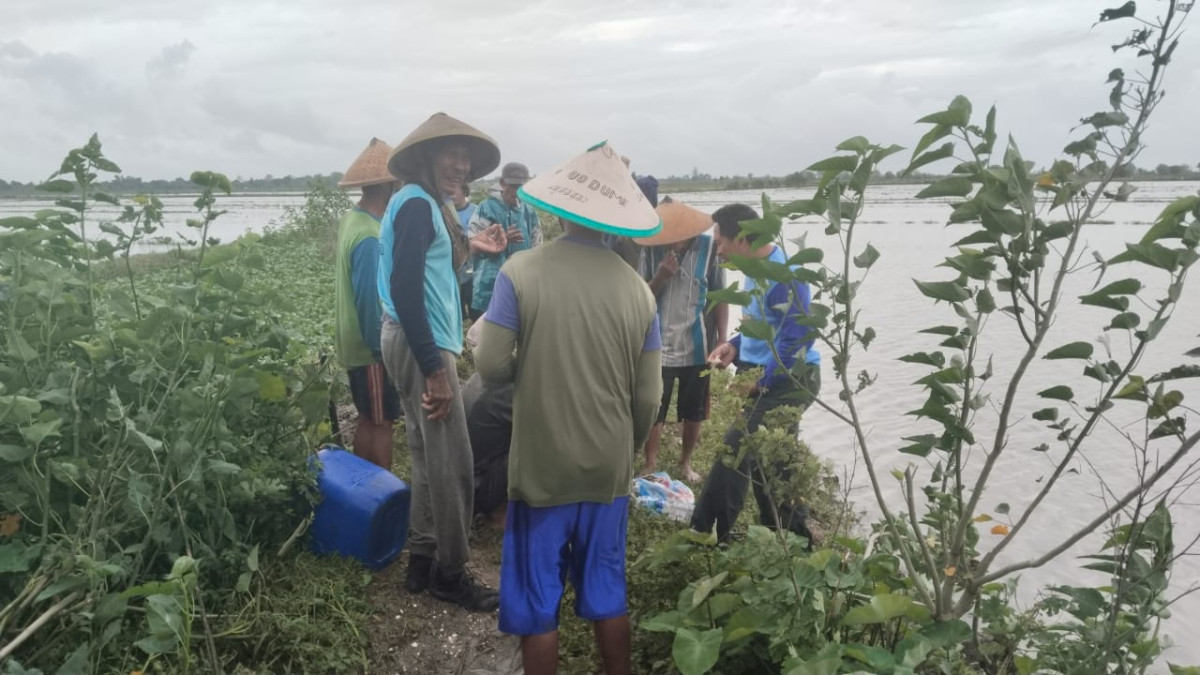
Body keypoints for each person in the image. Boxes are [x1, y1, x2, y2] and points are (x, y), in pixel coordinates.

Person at [476, 141, 663, 675]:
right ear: (616, 220)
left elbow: (490, 365)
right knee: (607, 590)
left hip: (542, 466)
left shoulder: (519, 272)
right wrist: (626, 449)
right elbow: (648, 397)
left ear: (558, 209)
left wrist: (534, 369)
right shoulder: (639, 292)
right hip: (607, 469)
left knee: (538, 601)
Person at [377, 112, 501, 611]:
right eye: (453, 154)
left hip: (411, 338)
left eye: (466, 157)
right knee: (453, 462)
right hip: (420, 341)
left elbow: (428, 265)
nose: (462, 165)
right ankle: (450, 573)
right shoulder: (415, 205)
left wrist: (474, 247)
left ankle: (422, 559)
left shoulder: (426, 204)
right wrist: (434, 370)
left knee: (427, 455)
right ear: (427, 157)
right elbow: (405, 289)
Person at [689, 203, 822, 545]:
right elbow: (762, 326)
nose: (718, 251)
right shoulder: (752, 269)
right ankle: (790, 538)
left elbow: (799, 339)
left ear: (743, 238)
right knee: (772, 461)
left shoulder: (785, 275)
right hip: (765, 376)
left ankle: (707, 533)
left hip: (790, 380)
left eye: (720, 242)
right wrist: (733, 345)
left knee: (736, 450)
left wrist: (759, 383)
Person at [635, 200, 728, 482]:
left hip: (697, 344)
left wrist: (722, 338)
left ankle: (685, 463)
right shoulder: (651, 250)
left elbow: (720, 297)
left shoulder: (709, 250)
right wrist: (660, 277)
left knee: (693, 410)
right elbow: (640, 298)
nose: (673, 241)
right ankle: (650, 462)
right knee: (655, 406)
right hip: (658, 343)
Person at [333, 137, 399, 470]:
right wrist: (382, 350)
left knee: (368, 418)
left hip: (355, 342)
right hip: (370, 347)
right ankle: (382, 488)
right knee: (381, 422)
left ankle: (363, 485)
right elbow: (370, 301)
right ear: (388, 186)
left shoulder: (353, 218)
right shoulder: (371, 235)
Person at [467, 162, 542, 319]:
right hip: (489, 285)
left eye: (521, 186)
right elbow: (472, 243)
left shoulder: (529, 211)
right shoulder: (486, 208)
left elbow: (537, 246)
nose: (517, 191)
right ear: (502, 183)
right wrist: (501, 239)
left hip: (522, 283)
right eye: (513, 186)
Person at [461, 372, 512, 528]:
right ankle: (500, 513)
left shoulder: (484, 375)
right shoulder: (510, 391)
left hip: (462, 484)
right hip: (481, 489)